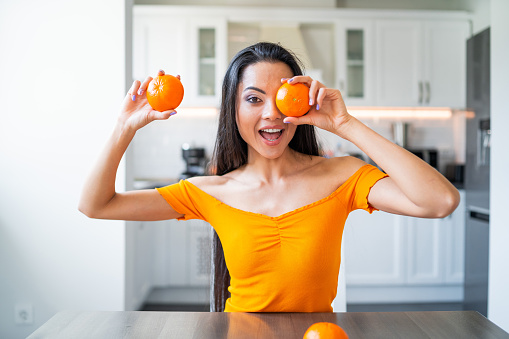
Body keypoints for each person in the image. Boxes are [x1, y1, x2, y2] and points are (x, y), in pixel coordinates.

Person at [79, 42, 460, 313]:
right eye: (254, 99)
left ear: (301, 104)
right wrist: (124, 127)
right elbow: (95, 205)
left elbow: (441, 201)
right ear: (233, 108)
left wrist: (346, 124)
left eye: (281, 99)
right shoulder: (209, 191)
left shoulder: (343, 174)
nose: (271, 116)